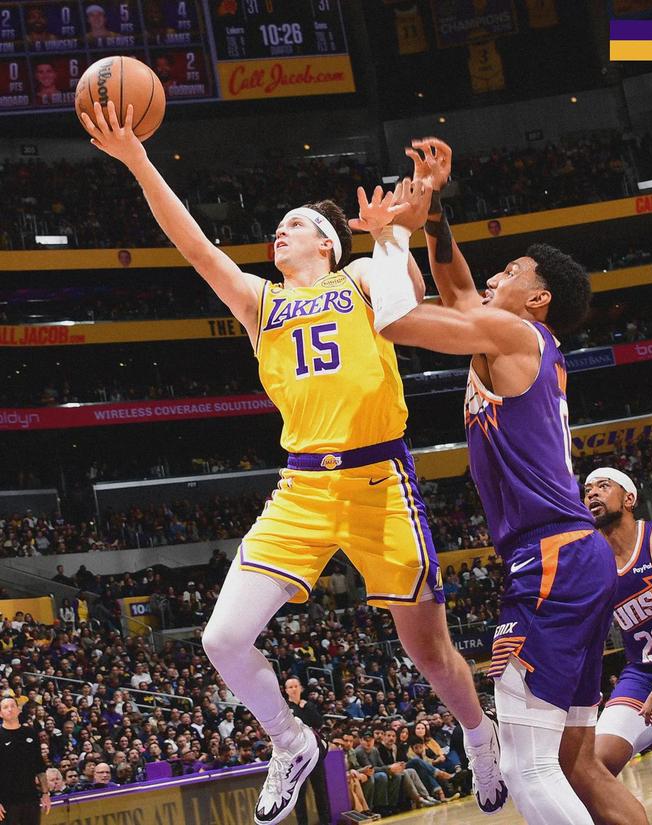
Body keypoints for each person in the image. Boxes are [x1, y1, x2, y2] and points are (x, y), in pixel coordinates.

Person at [80, 102, 506, 825]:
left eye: (296, 222)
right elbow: (195, 247)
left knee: (431, 654)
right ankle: (290, 738)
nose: (280, 229)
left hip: (379, 480)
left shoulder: (361, 278)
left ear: (328, 243)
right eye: (279, 224)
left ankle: (477, 732)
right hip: (302, 485)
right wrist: (138, 161)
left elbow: (409, 296)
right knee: (220, 637)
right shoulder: (261, 303)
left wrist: (401, 223)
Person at [375, 136, 649, 825]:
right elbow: (460, 291)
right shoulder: (516, 340)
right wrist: (435, 213)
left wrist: (392, 235)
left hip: (549, 557)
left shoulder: (515, 337)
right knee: (575, 762)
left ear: (539, 298)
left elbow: (398, 319)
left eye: (511, 271)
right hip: (572, 557)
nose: (494, 277)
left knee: (528, 765)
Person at [583, 469, 652, 775]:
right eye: (588, 489)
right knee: (595, 766)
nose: (592, 492)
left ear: (629, 499)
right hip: (641, 674)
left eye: (603, 486)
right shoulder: (594, 566)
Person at [284, 678, 330, 825]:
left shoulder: (309, 705)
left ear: (301, 688)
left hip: (314, 753)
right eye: (290, 687)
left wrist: (307, 708)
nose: (293, 689)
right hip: (297, 757)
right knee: (299, 793)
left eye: (296, 686)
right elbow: (296, 726)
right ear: (286, 691)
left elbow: (318, 722)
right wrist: (301, 710)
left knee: (320, 790)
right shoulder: (286, 709)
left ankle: (325, 821)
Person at [0, 696, 51, 823]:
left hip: (31, 798)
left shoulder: (30, 733)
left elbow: (39, 766)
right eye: (5, 707)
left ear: (18, 710)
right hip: (6, 801)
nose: (10, 709)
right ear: (0, 713)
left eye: (12, 706)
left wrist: (45, 793)